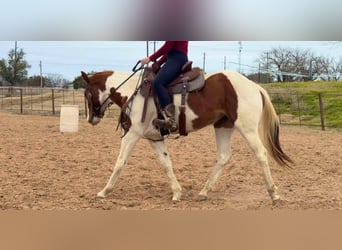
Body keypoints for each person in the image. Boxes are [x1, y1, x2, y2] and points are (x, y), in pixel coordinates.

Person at [140, 41, 189, 131]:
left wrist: (150, 58)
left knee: (158, 83)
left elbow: (167, 46)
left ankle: (171, 119)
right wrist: (158, 63)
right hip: (174, 58)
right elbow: (169, 50)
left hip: (176, 59)